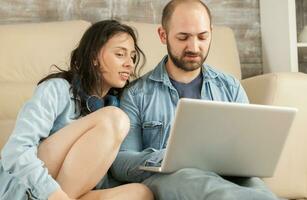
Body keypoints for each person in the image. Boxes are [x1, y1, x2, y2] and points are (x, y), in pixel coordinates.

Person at [110, 1, 278, 200]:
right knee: (190, 177)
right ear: (163, 35)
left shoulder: (230, 87)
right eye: (183, 37)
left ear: (211, 33)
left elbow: (249, 152)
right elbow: (120, 162)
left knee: (255, 184)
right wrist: (169, 157)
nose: (194, 47)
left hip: (226, 176)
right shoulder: (136, 94)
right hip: (169, 179)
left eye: (202, 36)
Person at [0, 20, 154, 200]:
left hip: (70, 193)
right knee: (114, 118)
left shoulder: (119, 104)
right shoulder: (57, 89)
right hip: (29, 190)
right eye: (120, 54)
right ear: (94, 57)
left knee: (141, 193)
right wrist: (54, 194)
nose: (130, 64)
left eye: (133, 57)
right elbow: (15, 151)